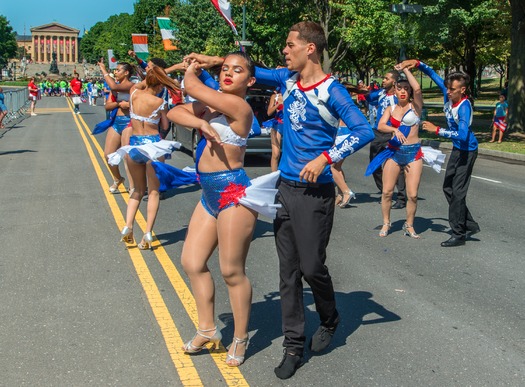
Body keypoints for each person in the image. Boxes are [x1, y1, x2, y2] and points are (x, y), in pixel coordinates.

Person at [187, 21, 374, 379]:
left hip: (315, 193)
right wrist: (212, 59)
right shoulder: (287, 80)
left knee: (311, 267)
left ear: (310, 49)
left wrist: (326, 157)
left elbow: (364, 129)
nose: (284, 51)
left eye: (289, 45)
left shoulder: (331, 90)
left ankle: (330, 315)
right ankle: (293, 345)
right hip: (284, 189)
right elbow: (250, 71)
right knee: (287, 273)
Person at [167, 52, 279, 368]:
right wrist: (201, 120)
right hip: (209, 194)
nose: (228, 73)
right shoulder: (214, 105)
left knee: (231, 271)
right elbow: (175, 112)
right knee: (191, 261)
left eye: (237, 70)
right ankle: (207, 328)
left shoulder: (239, 107)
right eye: (225, 69)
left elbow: (191, 86)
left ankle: (241, 338)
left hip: (233, 194)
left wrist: (192, 70)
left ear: (251, 81)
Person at [400, 59, 480, 247]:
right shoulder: (449, 95)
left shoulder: (464, 107)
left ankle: (459, 233)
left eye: (452, 89)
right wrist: (418, 64)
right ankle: (469, 223)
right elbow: (434, 76)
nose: (448, 91)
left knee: (458, 192)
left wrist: (437, 130)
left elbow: (462, 135)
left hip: (467, 151)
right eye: (448, 88)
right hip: (458, 149)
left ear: (462, 90)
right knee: (448, 188)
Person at [110, 66, 180, 249]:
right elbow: (165, 125)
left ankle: (128, 226)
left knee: (137, 191)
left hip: (134, 144)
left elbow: (139, 84)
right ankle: (148, 233)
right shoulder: (159, 102)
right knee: (154, 192)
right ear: (160, 85)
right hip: (153, 145)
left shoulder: (133, 94)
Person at [365, 69, 425, 238]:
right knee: (387, 192)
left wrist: (405, 69)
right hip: (394, 152)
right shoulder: (390, 108)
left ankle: (409, 225)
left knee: (412, 195)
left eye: (407, 88)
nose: (404, 91)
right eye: (400, 88)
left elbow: (418, 89)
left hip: (413, 153)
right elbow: (381, 125)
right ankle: (386, 223)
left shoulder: (416, 108)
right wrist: (394, 129)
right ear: (395, 90)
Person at [366, 70, 407, 209]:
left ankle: (402, 198)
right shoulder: (381, 94)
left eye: (386, 78)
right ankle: (385, 191)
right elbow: (369, 97)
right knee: (374, 163)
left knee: (397, 166)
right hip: (379, 132)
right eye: (383, 78)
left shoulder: (398, 97)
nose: (383, 80)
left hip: (392, 133)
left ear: (394, 82)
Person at [97, 60, 135, 194]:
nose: (115, 72)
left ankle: (132, 186)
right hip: (117, 121)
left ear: (126, 73)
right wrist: (119, 104)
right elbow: (107, 106)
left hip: (128, 122)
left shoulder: (131, 86)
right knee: (108, 155)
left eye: (118, 70)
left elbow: (113, 86)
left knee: (126, 155)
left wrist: (103, 69)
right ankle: (118, 178)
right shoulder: (115, 89)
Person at [265, 87, 284, 171]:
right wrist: (278, 104)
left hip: (290, 125)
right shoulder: (275, 96)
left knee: (291, 153)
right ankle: (273, 177)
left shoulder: (292, 93)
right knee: (276, 154)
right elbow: (269, 112)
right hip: (277, 124)